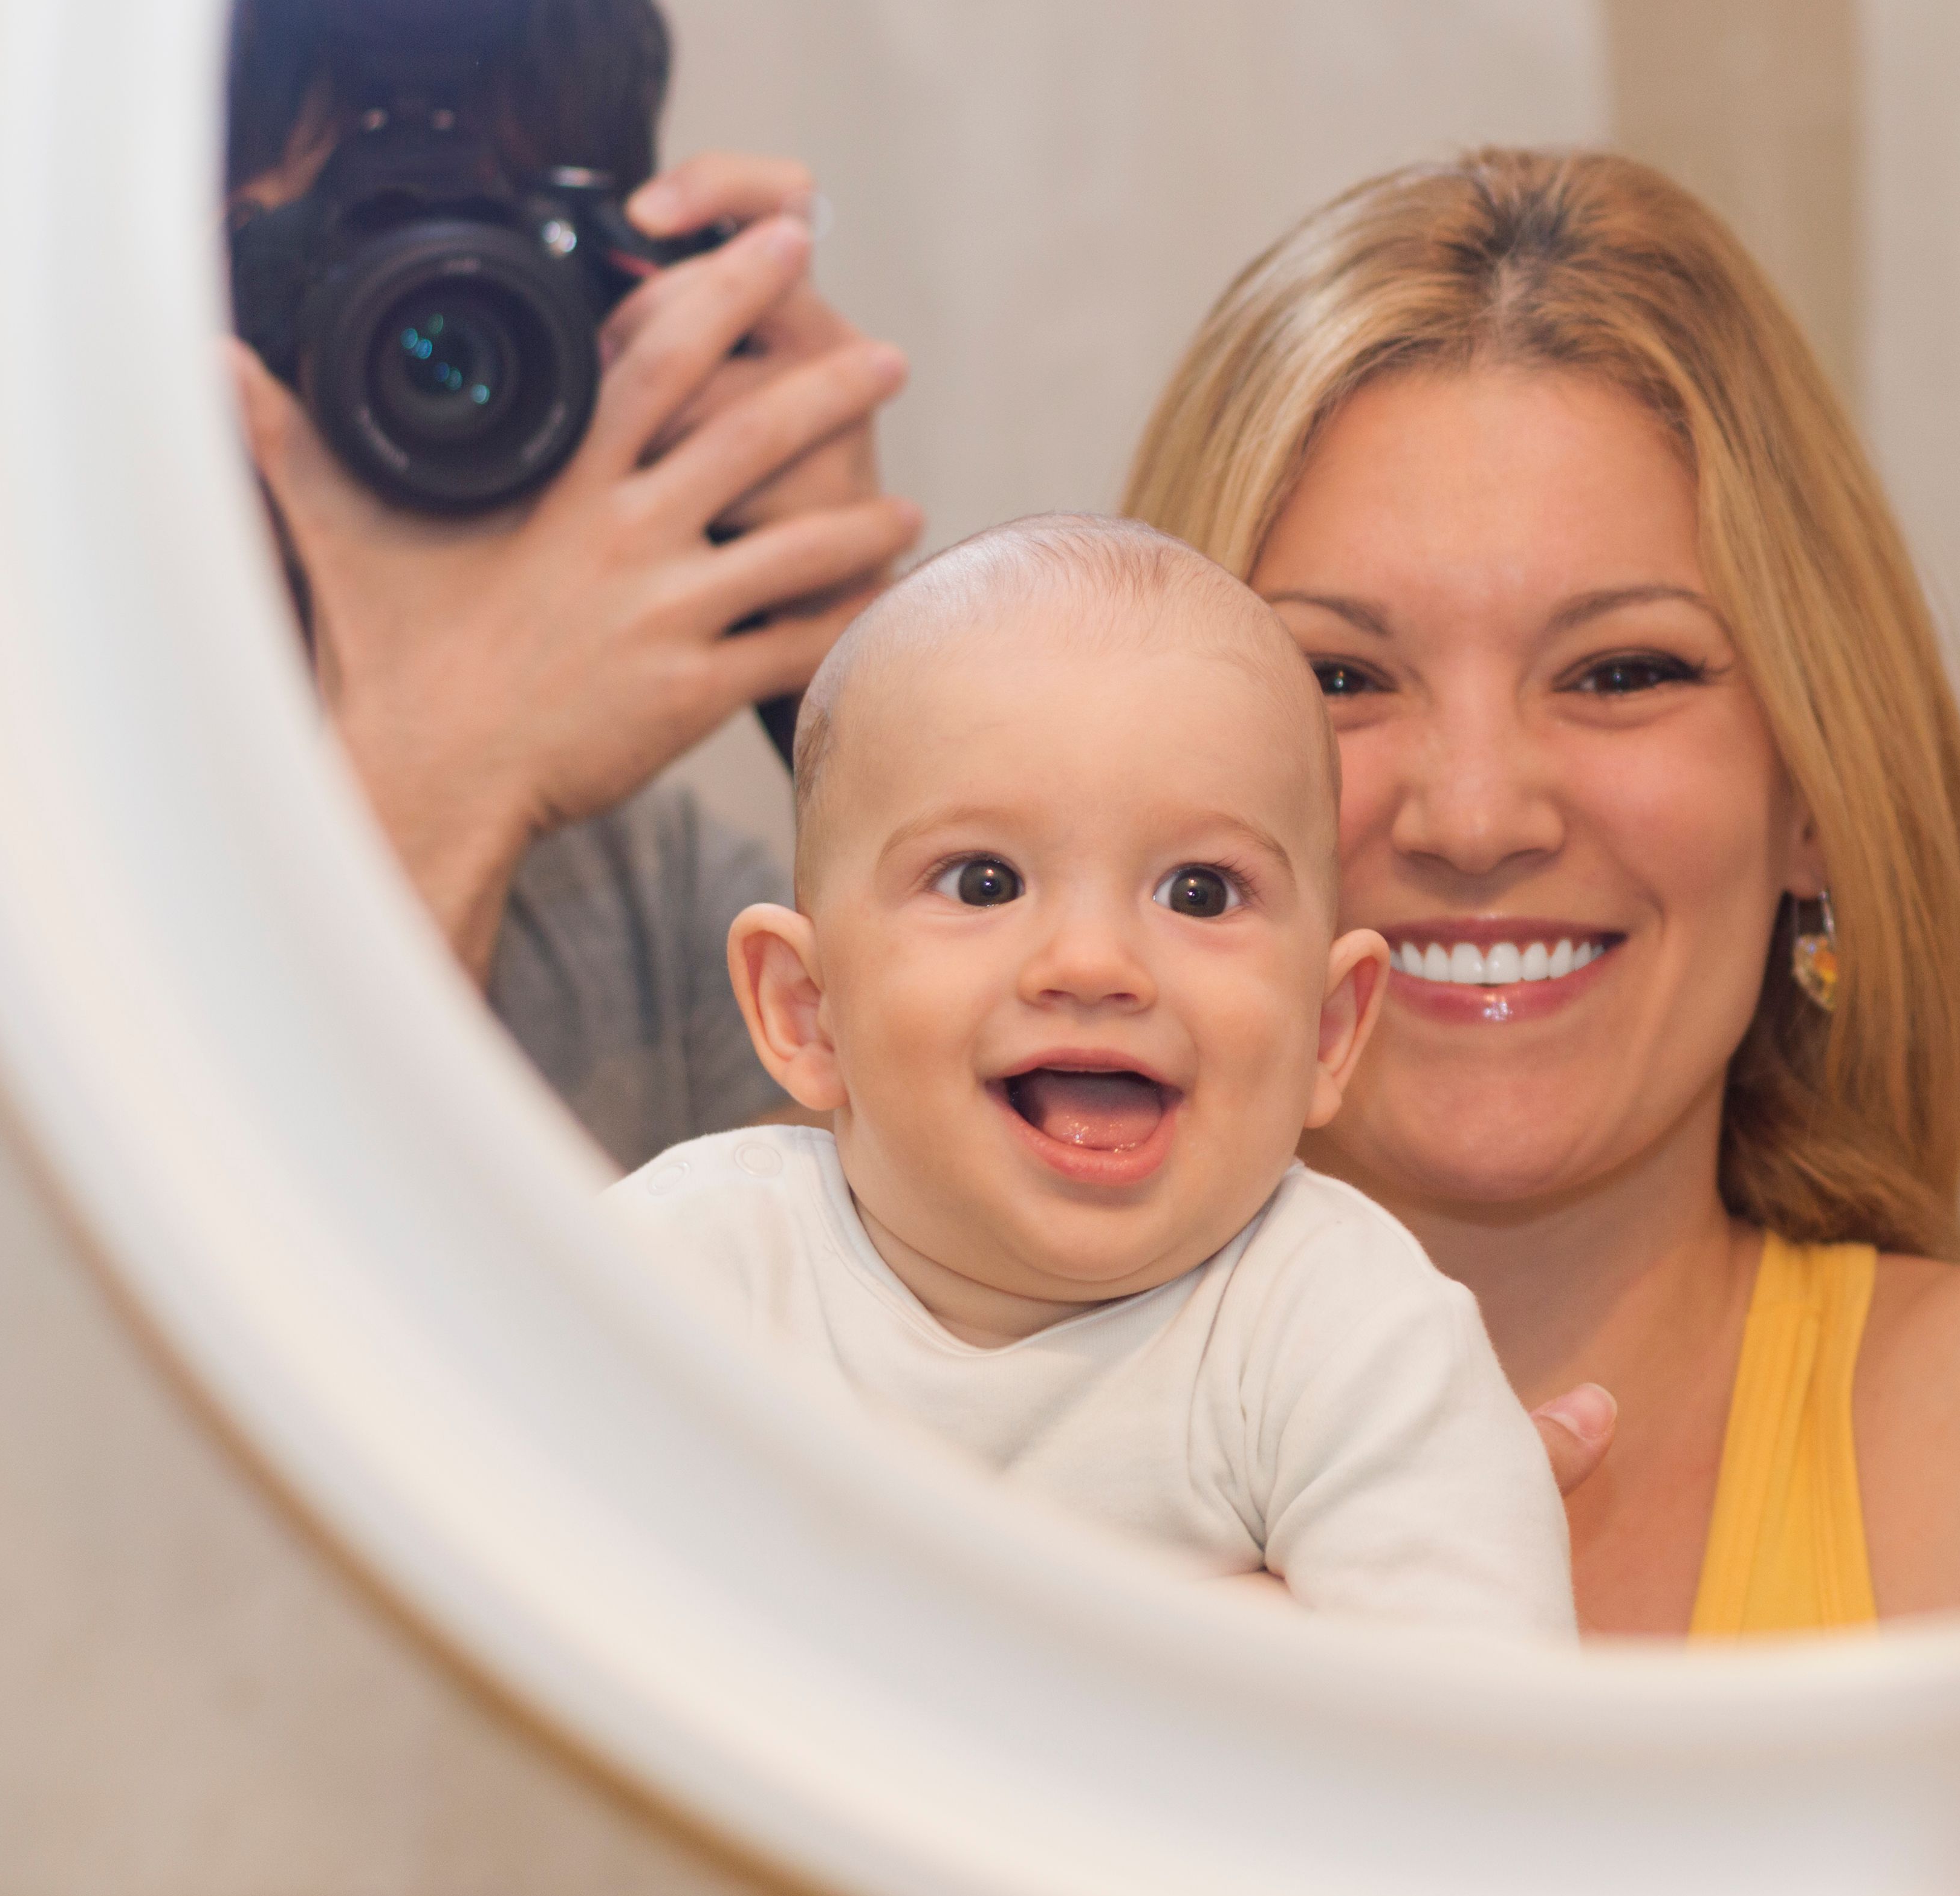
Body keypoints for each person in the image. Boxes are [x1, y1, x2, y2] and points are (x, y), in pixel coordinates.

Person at [1124, 149, 1960, 1637]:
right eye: (1338, 678)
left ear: (1812, 793)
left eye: (1622, 672)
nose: (1475, 813)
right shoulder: (915, 1475)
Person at [602, 518, 1575, 1637]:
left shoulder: (1343, 1330)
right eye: (982, 882)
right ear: (806, 1010)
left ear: (1327, 1029)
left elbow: (1481, 1751)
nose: (1094, 964)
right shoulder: (687, 1273)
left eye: (1200, 893)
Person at [224, 0, 922, 1169]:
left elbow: (981, 1285)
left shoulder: (629, 881)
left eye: (486, 244)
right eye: (334, 254)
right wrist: (435, 789)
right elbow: (145, 1332)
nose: (426, 332)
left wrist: (864, 703)